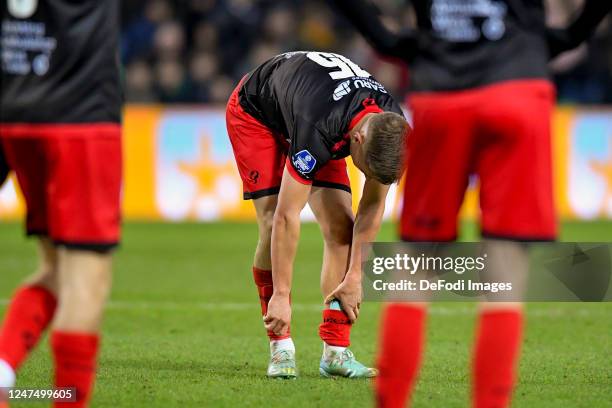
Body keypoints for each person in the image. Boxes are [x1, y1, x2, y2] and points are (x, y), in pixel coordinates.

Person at [332, 0, 612, 406]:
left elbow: (385, 36)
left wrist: (396, 43)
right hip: (518, 90)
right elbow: (569, 33)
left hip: (440, 96)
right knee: (505, 269)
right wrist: (551, 41)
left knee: (417, 263)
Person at [226, 51, 410, 379]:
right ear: (358, 140)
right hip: (257, 112)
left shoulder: (390, 126)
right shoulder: (320, 125)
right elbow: (287, 216)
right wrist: (281, 295)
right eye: (364, 168)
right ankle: (280, 346)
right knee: (271, 223)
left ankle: (336, 352)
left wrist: (355, 276)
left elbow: (372, 205)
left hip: (315, 106)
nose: (366, 175)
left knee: (342, 227)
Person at [0, 0, 122, 406]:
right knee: (85, 278)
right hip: (80, 116)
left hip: (13, 106)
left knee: (53, 267)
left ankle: (2, 370)